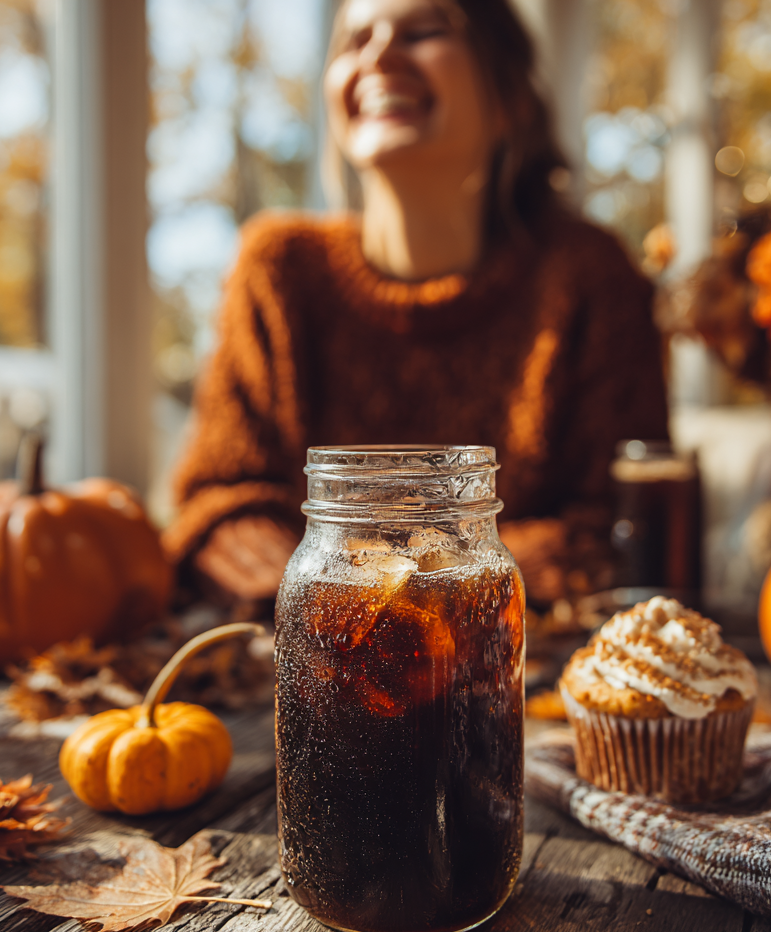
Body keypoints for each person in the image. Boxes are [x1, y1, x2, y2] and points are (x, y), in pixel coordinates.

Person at [163, 0, 668, 609]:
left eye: (424, 31)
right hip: (311, 670)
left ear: (509, 96)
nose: (377, 55)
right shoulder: (277, 271)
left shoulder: (587, 277)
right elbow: (221, 506)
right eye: (354, 40)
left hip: (518, 680)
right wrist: (338, 619)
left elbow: (622, 527)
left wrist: (403, 603)